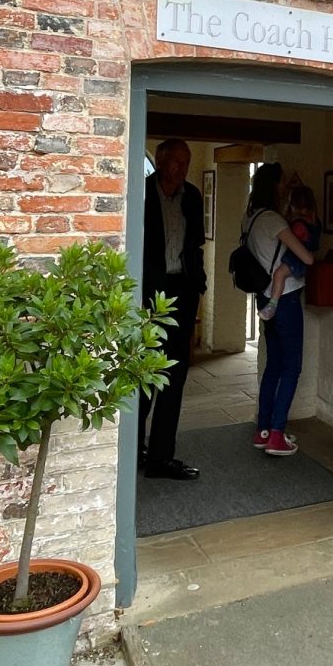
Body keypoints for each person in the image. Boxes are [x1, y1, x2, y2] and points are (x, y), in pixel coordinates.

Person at [139, 138, 207, 480]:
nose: (182, 168)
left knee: (175, 375)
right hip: (147, 294)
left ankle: (161, 458)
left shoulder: (192, 196)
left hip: (182, 290)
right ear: (161, 162)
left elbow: (195, 244)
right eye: (176, 161)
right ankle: (133, 449)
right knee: (143, 373)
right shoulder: (141, 192)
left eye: (186, 161)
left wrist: (199, 283)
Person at [243, 165, 316, 455]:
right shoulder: (273, 220)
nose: (285, 187)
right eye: (282, 183)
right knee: (291, 366)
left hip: (264, 298)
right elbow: (306, 257)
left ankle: (263, 429)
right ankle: (277, 434)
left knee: (273, 364)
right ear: (274, 186)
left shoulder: (250, 217)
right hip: (286, 298)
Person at [258, 185, 321, 322]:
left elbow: (291, 238)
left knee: (279, 274)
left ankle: (272, 305)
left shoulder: (298, 225)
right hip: (302, 260)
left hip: (295, 259)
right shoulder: (315, 222)